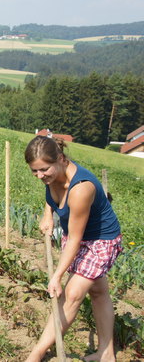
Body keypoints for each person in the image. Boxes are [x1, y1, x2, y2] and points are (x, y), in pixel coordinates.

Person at [24, 136, 122, 362]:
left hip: (100, 240)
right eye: (34, 171)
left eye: (44, 169)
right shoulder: (53, 177)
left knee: (72, 294)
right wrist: (47, 214)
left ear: (60, 159)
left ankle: (36, 354)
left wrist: (57, 276)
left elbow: (77, 240)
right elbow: (51, 192)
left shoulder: (81, 188)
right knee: (98, 292)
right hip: (77, 235)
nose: (40, 176)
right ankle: (106, 354)